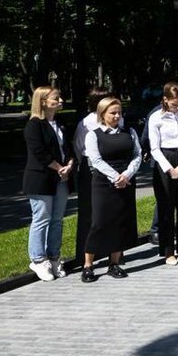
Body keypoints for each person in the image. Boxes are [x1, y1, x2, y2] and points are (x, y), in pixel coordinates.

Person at [82, 97, 142, 282]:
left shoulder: (129, 132)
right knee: (99, 222)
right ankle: (88, 265)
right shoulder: (93, 135)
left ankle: (114, 263)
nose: (117, 116)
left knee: (120, 221)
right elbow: (96, 160)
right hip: (104, 182)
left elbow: (137, 155)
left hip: (126, 180)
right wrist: (116, 176)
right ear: (102, 114)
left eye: (119, 112)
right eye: (113, 113)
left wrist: (127, 175)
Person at [22, 86, 74, 281]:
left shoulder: (61, 123)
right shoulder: (34, 125)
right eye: (56, 98)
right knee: (42, 218)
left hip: (61, 177)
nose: (60, 101)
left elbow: (68, 148)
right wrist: (59, 168)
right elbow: (39, 152)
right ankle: (38, 259)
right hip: (41, 178)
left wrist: (69, 165)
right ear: (43, 102)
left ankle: (54, 257)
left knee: (57, 219)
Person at [146, 82, 178, 266]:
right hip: (164, 159)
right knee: (165, 207)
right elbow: (154, 147)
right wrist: (169, 168)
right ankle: (168, 250)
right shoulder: (156, 117)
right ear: (165, 100)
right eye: (174, 104)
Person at [72, 87, 112, 262]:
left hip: (113, 166)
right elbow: (79, 147)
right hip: (91, 169)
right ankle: (85, 255)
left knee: (111, 211)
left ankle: (111, 251)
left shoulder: (117, 119)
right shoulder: (87, 123)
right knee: (89, 213)